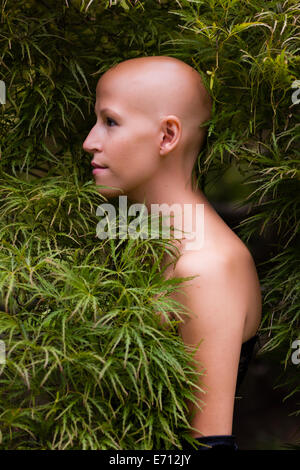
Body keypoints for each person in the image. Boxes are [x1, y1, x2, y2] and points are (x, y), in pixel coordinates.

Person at [82, 56, 262, 451]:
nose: (90, 142)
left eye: (110, 122)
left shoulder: (206, 268)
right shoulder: (149, 244)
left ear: (167, 136)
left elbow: (208, 446)